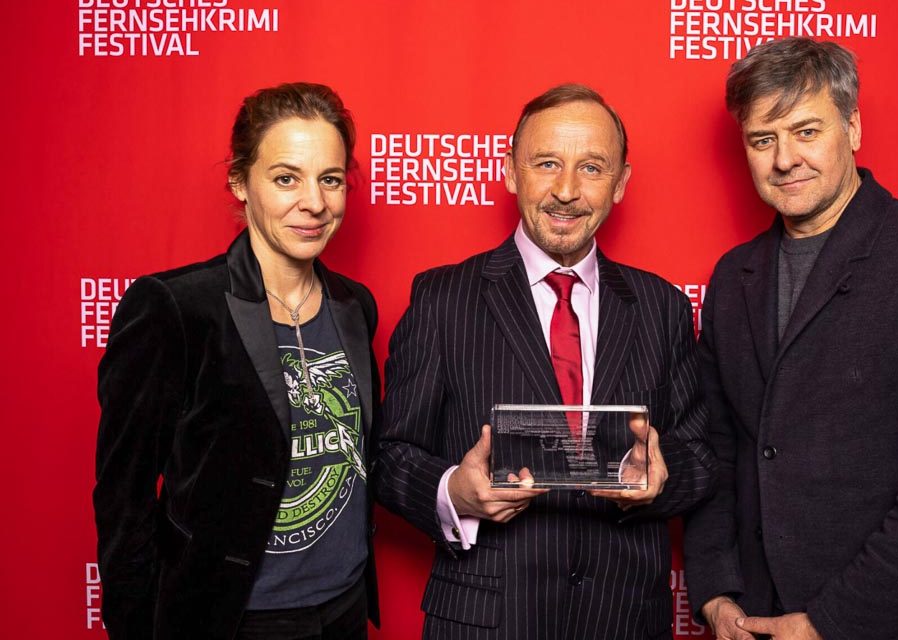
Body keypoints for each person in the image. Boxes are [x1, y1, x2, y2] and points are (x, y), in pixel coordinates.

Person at [683, 38, 898, 640]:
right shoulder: (734, 277)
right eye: (764, 140)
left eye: (806, 131)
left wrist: (830, 624)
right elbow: (721, 452)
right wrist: (714, 591)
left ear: (853, 126)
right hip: (758, 619)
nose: (785, 159)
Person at [373, 83, 716, 639]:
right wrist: (452, 491)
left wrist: (662, 475)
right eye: (547, 163)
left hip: (624, 618)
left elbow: (701, 456)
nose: (566, 190)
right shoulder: (443, 298)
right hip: (487, 621)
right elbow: (388, 457)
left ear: (621, 183)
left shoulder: (663, 308)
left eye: (592, 168)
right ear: (510, 172)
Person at [94, 83, 381, 639]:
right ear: (239, 182)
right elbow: (123, 503)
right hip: (232, 621)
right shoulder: (175, 309)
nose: (315, 203)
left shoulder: (354, 305)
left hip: (343, 610)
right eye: (285, 178)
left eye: (330, 179)